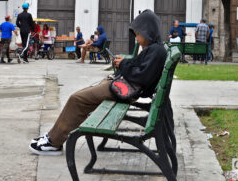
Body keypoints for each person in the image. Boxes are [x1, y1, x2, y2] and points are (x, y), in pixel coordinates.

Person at [29, 9, 167, 155]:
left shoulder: (156, 51)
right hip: (125, 86)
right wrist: (124, 62)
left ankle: (53, 142)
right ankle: (53, 136)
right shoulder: (155, 49)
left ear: (148, 32)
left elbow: (142, 76)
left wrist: (124, 64)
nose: (137, 38)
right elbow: (141, 69)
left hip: (126, 90)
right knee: (81, 96)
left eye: (138, 34)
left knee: (77, 99)